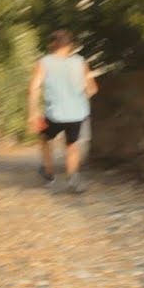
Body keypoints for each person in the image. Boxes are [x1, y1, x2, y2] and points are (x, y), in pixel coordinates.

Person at [28, 30, 98, 193]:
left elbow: (33, 88)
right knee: (72, 145)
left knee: (45, 138)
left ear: (52, 45)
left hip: (54, 114)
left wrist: (33, 113)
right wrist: (79, 96)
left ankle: (49, 173)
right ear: (70, 45)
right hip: (76, 113)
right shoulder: (81, 62)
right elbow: (93, 89)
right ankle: (73, 178)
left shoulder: (44, 62)